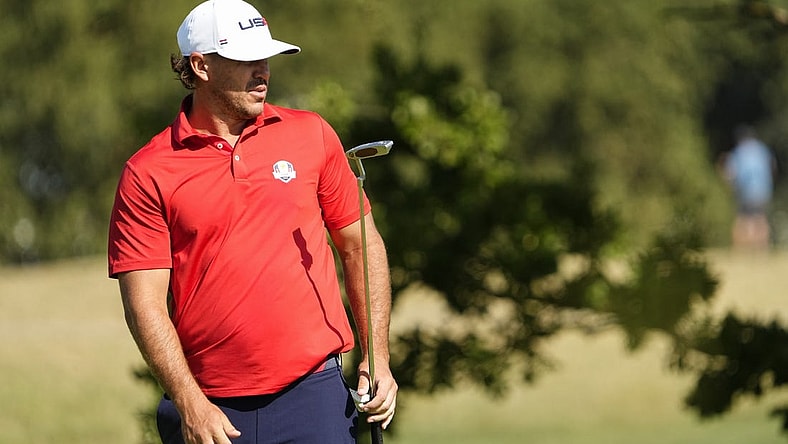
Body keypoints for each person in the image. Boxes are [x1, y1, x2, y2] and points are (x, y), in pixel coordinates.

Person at [107, 1, 397, 442]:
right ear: (201, 65)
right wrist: (189, 403)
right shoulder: (148, 171)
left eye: (265, 58)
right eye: (246, 61)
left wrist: (376, 357)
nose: (262, 71)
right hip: (211, 410)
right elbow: (143, 305)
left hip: (314, 397)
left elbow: (360, 244)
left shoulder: (311, 133)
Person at [724, 125, 777, 250]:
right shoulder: (762, 149)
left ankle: (740, 249)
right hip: (763, 191)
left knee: (742, 219)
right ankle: (762, 248)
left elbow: (730, 173)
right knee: (760, 218)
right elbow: (773, 167)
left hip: (744, 191)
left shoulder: (738, 151)